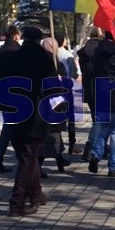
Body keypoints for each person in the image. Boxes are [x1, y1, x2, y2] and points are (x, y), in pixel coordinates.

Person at [0, 26, 55, 217]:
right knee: (28, 159)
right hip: (36, 116)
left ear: (23, 39)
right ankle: (17, 202)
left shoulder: (11, 58)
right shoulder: (44, 59)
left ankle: (36, 194)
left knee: (27, 156)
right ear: (39, 40)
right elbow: (52, 89)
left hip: (15, 114)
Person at [88, 29, 115, 177]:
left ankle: (96, 154)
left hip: (101, 90)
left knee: (103, 126)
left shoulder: (98, 51)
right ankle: (113, 165)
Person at [0, 25, 21, 174]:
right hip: (18, 96)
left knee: (10, 128)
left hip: (1, 95)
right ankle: (24, 162)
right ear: (15, 36)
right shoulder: (19, 52)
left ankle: (1, 161)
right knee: (11, 130)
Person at [40, 37, 72, 173]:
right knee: (52, 135)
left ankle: (59, 159)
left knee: (55, 134)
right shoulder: (48, 62)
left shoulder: (55, 61)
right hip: (52, 102)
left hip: (54, 102)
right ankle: (40, 164)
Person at [77, 27, 103, 161]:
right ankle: (90, 148)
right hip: (101, 88)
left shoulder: (83, 52)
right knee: (100, 121)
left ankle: (100, 147)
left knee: (96, 119)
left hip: (89, 89)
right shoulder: (101, 50)